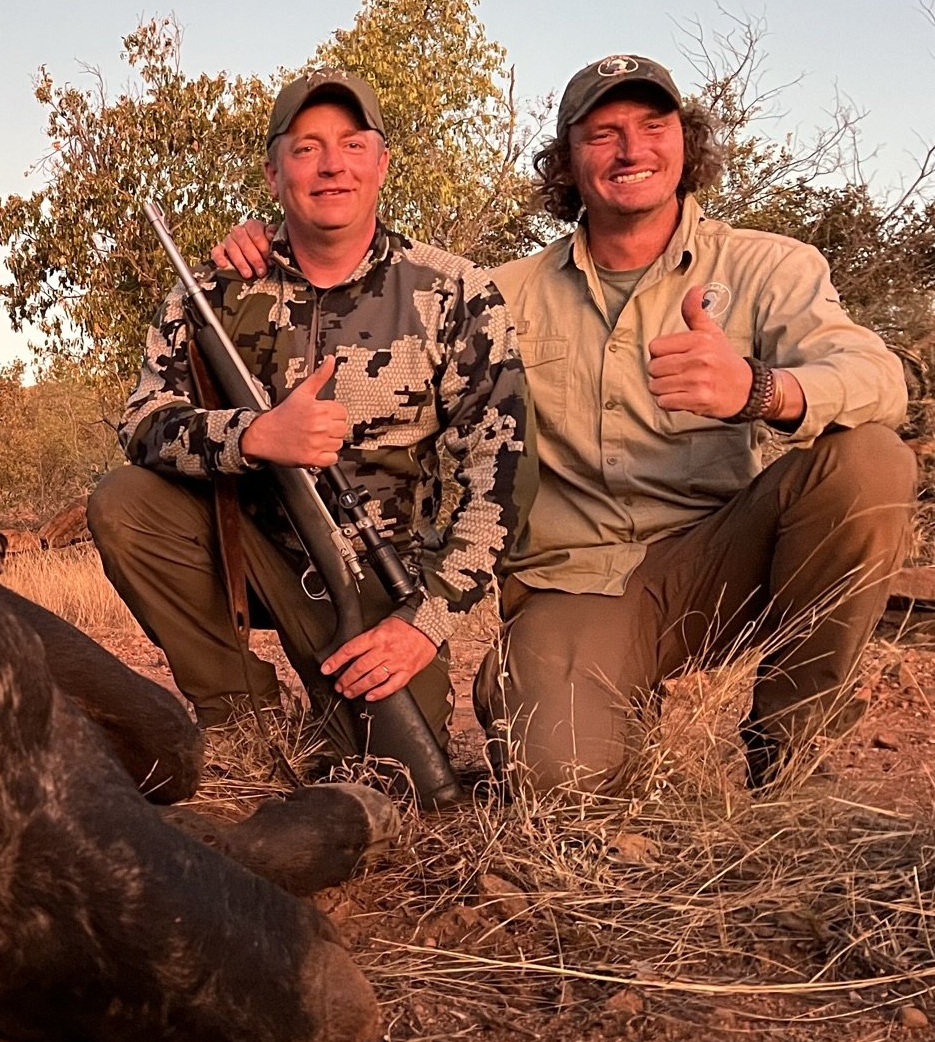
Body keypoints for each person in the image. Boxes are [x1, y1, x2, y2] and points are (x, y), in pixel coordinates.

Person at [215, 54, 914, 792]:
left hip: (725, 560)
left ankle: (789, 754)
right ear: (568, 160)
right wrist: (276, 251)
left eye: (653, 126)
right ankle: (586, 701)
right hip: (573, 587)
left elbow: (879, 382)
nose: (632, 150)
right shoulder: (499, 291)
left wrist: (759, 388)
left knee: (870, 461)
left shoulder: (771, 267)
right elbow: (384, 308)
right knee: (562, 779)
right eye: (603, 133)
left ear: (686, 142)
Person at [89, 69, 528, 764]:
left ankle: (340, 713)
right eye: (306, 148)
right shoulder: (213, 288)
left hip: (383, 582)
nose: (331, 166)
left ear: (382, 163)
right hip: (245, 553)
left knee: (399, 775)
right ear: (273, 173)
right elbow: (142, 422)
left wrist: (424, 622)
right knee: (124, 504)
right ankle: (243, 716)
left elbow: (498, 476)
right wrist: (253, 437)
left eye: (353, 145)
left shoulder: (456, 290)